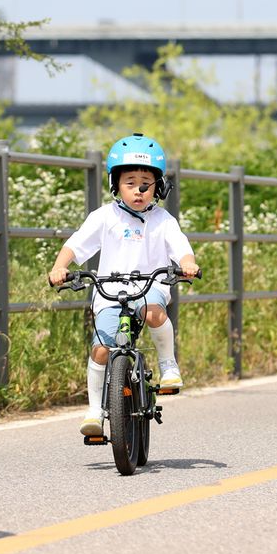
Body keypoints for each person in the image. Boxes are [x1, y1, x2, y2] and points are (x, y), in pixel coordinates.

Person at [48, 133, 200, 436]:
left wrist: (187, 263)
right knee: (102, 350)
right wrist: (59, 266)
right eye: (129, 182)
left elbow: (181, 247)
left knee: (155, 313)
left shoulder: (163, 220)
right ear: (115, 184)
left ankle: (168, 365)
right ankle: (94, 412)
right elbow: (76, 245)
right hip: (109, 291)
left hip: (149, 286)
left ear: (158, 186)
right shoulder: (104, 217)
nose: (138, 190)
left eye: (146, 183)